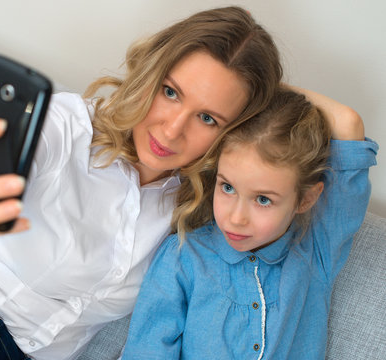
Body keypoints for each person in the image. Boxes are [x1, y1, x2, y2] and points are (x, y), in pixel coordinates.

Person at [0, 7, 283, 360]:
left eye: (208, 118)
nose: (173, 128)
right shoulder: (65, 127)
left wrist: (267, 101)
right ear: (149, 73)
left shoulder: (202, 205)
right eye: (170, 92)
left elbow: (343, 134)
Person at [121, 87, 378, 359]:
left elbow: (348, 123)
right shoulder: (184, 255)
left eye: (263, 200)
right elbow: (146, 351)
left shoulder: (315, 252)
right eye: (228, 188)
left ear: (305, 199)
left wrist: (264, 85)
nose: (235, 218)